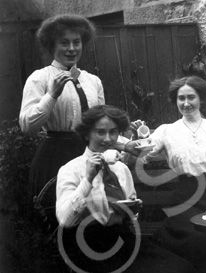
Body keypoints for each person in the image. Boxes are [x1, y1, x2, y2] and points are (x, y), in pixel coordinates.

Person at [56, 105, 194, 273]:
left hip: (122, 238)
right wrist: (88, 179)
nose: (107, 139)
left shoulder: (120, 169)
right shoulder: (71, 169)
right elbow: (65, 220)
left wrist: (132, 208)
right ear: (87, 134)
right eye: (100, 132)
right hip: (87, 244)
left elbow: (131, 213)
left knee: (180, 267)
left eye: (113, 132)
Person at [19, 14, 136, 210]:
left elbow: (101, 128)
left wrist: (126, 144)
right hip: (54, 157)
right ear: (52, 46)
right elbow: (27, 126)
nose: (72, 49)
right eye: (64, 43)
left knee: (92, 218)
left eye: (76, 42)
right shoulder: (39, 78)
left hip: (89, 157)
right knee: (59, 220)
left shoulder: (93, 81)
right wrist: (52, 95)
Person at [137, 76, 206, 272]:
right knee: (195, 238)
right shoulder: (167, 131)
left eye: (191, 97)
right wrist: (137, 138)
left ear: (201, 99)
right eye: (181, 98)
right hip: (183, 198)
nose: (186, 103)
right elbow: (143, 153)